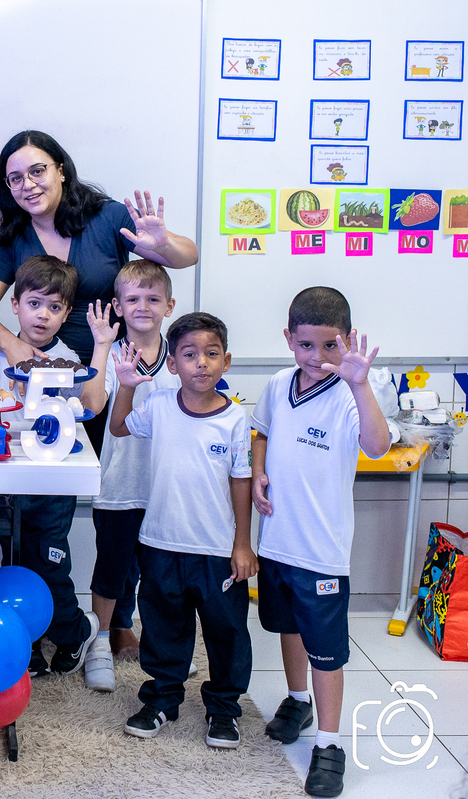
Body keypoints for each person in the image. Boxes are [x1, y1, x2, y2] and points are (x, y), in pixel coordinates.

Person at [0, 130, 196, 659]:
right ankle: (49, 618)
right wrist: (11, 345)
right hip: (43, 396)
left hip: (116, 377)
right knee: (41, 513)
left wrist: (162, 245)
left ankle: (118, 622)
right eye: (15, 177)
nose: (28, 184)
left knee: (123, 502)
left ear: (61, 170)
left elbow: (185, 255)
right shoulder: (15, 236)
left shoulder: (108, 217)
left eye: (37, 170)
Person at [250, 288, 390, 797]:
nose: (318, 358)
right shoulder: (276, 383)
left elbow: (377, 445)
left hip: (322, 550)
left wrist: (361, 386)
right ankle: (296, 699)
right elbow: (261, 433)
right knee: (287, 628)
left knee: (326, 651)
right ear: (289, 340)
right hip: (276, 542)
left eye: (330, 345)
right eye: (306, 345)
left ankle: (329, 744)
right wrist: (260, 473)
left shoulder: (355, 392)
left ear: (347, 340)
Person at [109, 312, 255, 750]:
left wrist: (243, 544)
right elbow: (118, 427)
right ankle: (162, 699)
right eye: (190, 355)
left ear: (226, 361)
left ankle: (225, 709)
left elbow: (241, 481)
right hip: (160, 543)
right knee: (163, 628)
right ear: (172, 364)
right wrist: (129, 386)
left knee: (226, 632)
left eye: (212, 354)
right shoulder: (157, 407)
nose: (201, 364)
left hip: (216, 551)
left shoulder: (235, 420)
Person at [0, 255, 98, 676]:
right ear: (15, 305)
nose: (43, 315)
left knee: (48, 560)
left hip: (51, 478)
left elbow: (85, 411)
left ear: (66, 314)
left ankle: (75, 631)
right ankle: (28, 640)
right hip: (9, 471)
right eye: (35, 303)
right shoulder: (0, 346)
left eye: (55, 307)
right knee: (12, 557)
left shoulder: (66, 359)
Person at [77, 260, 178, 692]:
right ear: (117, 305)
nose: (143, 307)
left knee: (160, 573)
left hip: (168, 489)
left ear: (169, 305)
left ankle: (159, 644)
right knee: (111, 569)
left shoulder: (182, 357)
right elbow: (91, 405)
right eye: (133, 299)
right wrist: (101, 345)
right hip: (118, 485)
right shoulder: (112, 353)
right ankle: (100, 642)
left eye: (153, 299)